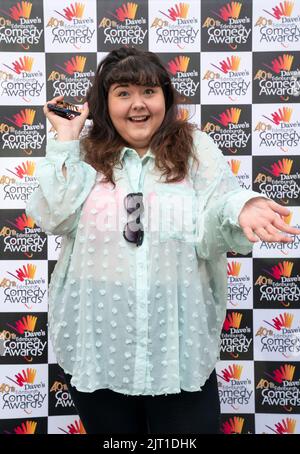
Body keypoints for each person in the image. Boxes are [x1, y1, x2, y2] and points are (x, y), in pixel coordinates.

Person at [25, 46, 300, 434]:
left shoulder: (196, 150)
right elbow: (55, 216)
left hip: (177, 352)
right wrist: (66, 139)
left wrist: (241, 205)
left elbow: (214, 222)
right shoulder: (84, 155)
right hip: (99, 347)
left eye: (149, 92)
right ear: (105, 103)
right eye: (123, 93)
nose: (138, 105)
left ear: (165, 100)